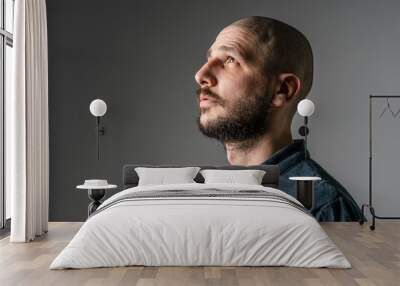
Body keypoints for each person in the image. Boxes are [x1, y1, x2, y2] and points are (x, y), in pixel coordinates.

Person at [194, 16, 362, 221]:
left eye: (230, 60)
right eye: (208, 59)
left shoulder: (323, 208)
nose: (201, 75)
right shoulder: (222, 195)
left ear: (283, 90)